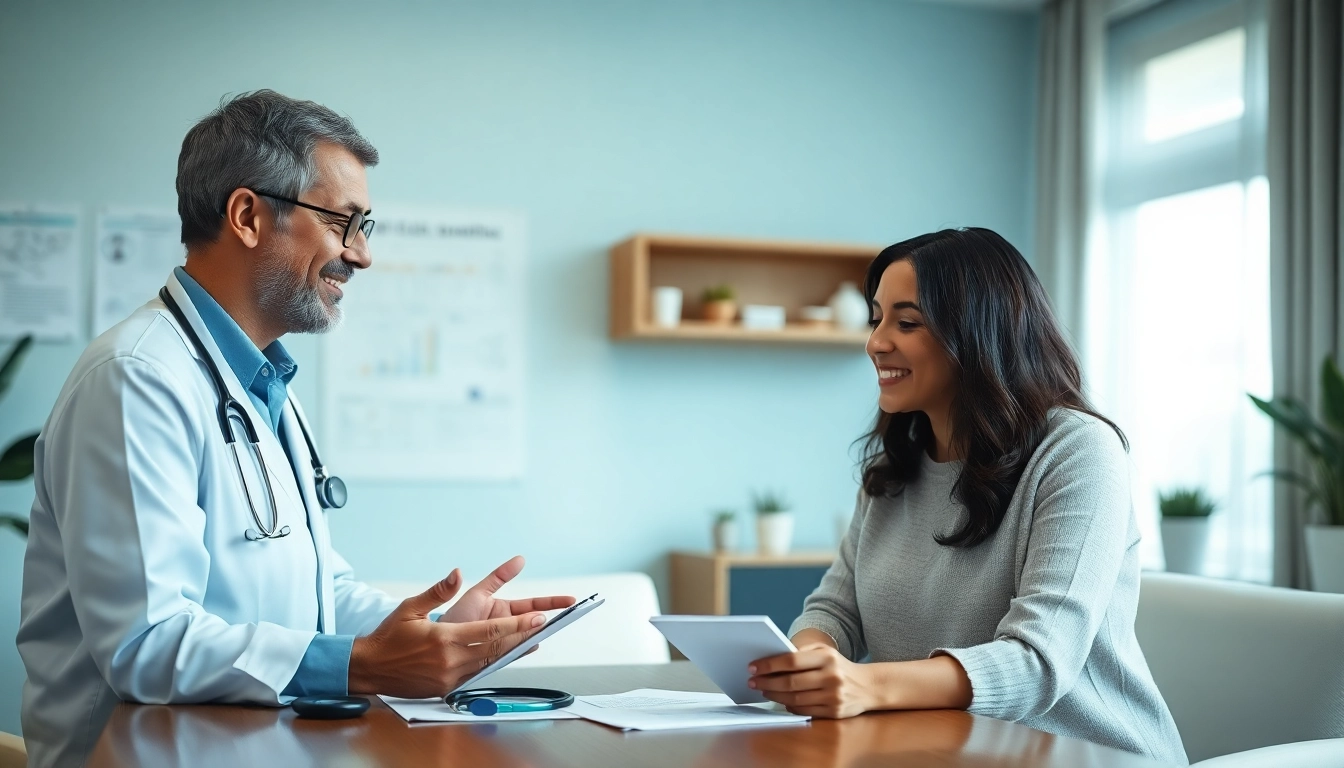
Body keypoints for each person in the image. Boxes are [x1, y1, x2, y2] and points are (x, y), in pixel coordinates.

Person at [17, 90, 573, 768]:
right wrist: (363, 666)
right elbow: (148, 647)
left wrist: (429, 636)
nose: (361, 255)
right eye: (345, 223)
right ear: (248, 216)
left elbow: (313, 590)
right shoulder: (137, 378)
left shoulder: (259, 382)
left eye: (366, 226)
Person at [745, 228, 1188, 765]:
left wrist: (866, 686)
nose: (876, 342)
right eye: (876, 318)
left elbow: (1038, 661)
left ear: (981, 334)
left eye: (906, 322)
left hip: (1087, 755)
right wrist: (815, 659)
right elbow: (837, 609)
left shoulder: (1078, 452)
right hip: (941, 751)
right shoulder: (895, 469)